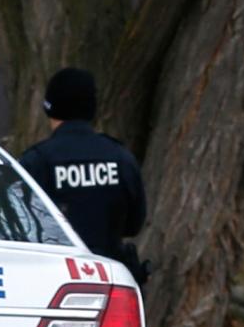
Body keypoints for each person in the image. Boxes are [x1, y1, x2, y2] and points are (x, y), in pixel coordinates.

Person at [15, 67, 147, 271]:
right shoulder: (121, 158)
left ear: (50, 108)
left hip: (53, 275)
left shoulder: (37, 161)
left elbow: (17, 224)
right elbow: (134, 224)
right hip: (112, 276)